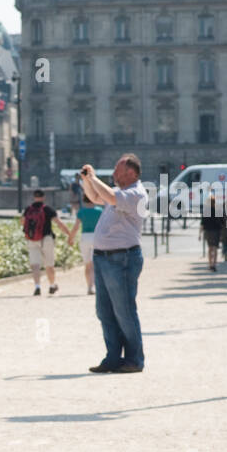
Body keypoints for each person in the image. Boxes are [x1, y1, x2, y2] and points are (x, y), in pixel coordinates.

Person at [81, 155, 147, 374]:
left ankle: (134, 359)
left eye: (118, 171)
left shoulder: (135, 194)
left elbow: (107, 196)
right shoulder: (119, 194)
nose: (114, 174)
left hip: (122, 258)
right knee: (105, 311)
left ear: (131, 173)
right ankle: (112, 357)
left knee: (124, 310)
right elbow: (95, 196)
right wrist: (86, 180)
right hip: (104, 257)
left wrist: (94, 177)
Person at [21, 190, 71, 295]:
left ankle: (37, 286)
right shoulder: (47, 209)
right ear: (44, 197)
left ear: (34, 197)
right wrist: (69, 234)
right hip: (46, 238)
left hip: (32, 239)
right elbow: (59, 223)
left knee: (35, 265)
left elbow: (23, 222)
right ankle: (52, 285)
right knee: (49, 264)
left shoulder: (28, 209)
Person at [70, 201, 103, 294]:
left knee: (87, 264)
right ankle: (97, 285)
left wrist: (71, 238)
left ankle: (89, 286)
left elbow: (76, 227)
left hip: (85, 237)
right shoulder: (100, 211)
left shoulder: (81, 211)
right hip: (96, 236)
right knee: (96, 263)